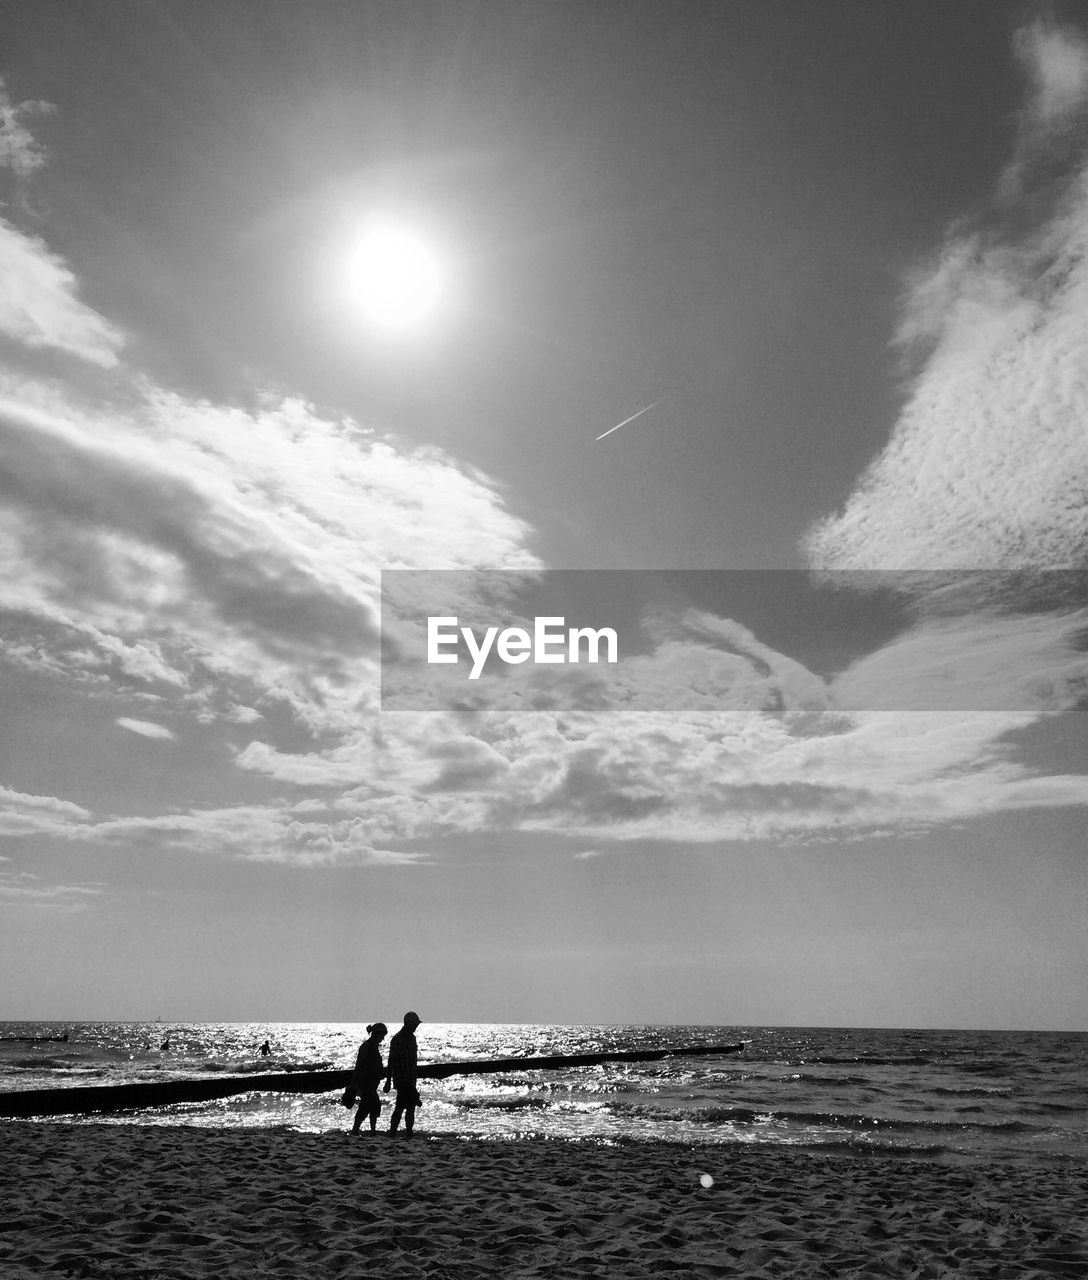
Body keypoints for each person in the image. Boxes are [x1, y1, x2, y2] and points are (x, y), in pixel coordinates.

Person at [384, 1011, 422, 1134]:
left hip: (411, 1078)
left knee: (411, 1107)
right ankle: (393, 1132)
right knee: (400, 1107)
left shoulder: (412, 1038)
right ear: (408, 1024)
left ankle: (408, 1131)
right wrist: (388, 1080)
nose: (416, 1028)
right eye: (415, 1025)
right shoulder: (397, 1039)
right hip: (401, 1079)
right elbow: (391, 1060)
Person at [350, 1023, 387, 1134]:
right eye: (382, 1035)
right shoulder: (366, 1046)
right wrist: (355, 1082)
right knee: (371, 1105)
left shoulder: (373, 1046)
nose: (383, 1038)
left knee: (369, 1106)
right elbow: (359, 1064)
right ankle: (363, 1130)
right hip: (365, 1082)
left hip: (371, 1082)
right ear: (376, 1034)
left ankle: (368, 1130)